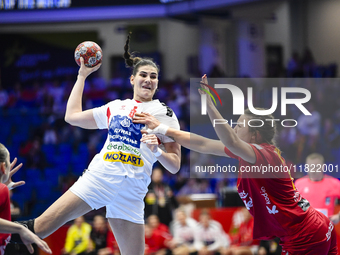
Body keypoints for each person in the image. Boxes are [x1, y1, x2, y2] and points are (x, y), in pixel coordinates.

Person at [13, 33, 181, 255]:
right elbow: (72, 116)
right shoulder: (115, 106)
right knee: (40, 228)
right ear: (132, 79)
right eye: (143, 75)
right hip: (101, 177)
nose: (149, 79)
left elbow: (175, 165)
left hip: (133, 192)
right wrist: (82, 76)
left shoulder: (166, 114)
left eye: (154, 76)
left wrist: (157, 150)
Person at [133, 74, 338, 254]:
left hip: (305, 235)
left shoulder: (265, 154)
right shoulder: (247, 154)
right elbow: (203, 143)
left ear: (255, 133)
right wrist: (161, 128)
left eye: (240, 125)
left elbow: (230, 139)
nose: (235, 128)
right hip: (307, 231)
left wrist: (210, 106)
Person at [0, 143, 51, 254]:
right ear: (3, 167)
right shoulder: (2, 189)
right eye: (9, 162)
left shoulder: (3, 189)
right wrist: (20, 229)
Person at [295, 153, 340, 221]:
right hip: (306, 228)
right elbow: (293, 205)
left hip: (327, 228)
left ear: (323, 166)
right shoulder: (299, 184)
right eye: (310, 167)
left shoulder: (334, 183)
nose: (313, 170)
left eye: (316, 167)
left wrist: (338, 216)